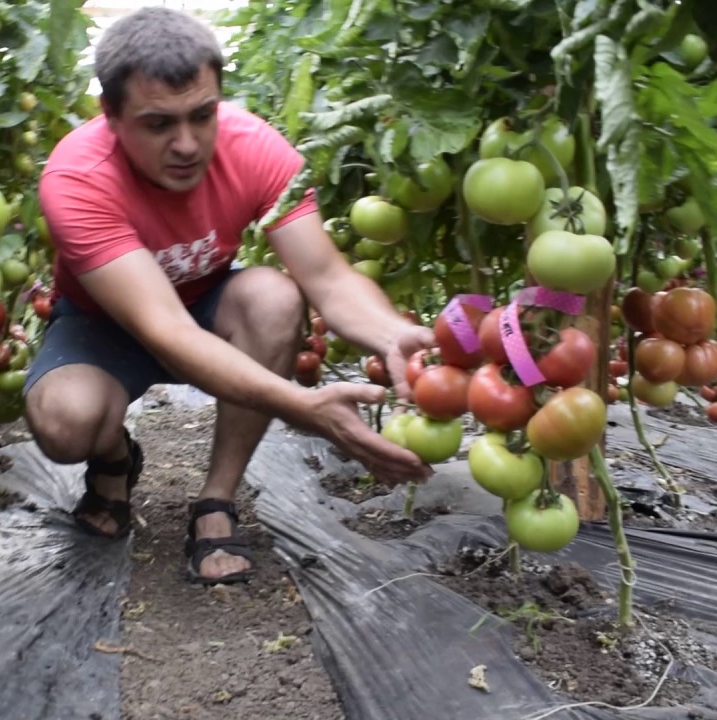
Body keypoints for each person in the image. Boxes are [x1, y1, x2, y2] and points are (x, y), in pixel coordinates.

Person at [22, 6, 436, 585]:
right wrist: (305, 409)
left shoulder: (254, 149)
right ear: (110, 116)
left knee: (276, 298)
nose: (188, 144)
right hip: (105, 322)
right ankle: (114, 457)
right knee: (64, 424)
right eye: (158, 124)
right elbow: (164, 330)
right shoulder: (78, 178)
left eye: (202, 114)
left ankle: (216, 500)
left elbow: (329, 279)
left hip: (207, 300)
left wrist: (396, 336)